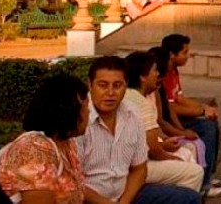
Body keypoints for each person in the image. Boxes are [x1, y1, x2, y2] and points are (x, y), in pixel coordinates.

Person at [75, 55, 200, 203]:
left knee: (188, 198)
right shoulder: (79, 118)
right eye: (102, 85)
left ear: (126, 85)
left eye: (117, 85)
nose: (110, 93)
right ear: (90, 84)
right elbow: (73, 180)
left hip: (125, 193)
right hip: (89, 199)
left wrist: (124, 201)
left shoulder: (132, 113)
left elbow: (139, 169)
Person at [0, 74, 89, 203]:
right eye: (85, 107)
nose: (89, 113)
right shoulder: (35, 150)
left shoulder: (68, 144)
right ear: (68, 111)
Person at [124, 51, 204, 194]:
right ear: (142, 77)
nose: (157, 74)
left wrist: (166, 143)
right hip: (135, 167)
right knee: (194, 172)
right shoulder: (140, 103)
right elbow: (154, 151)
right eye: (154, 70)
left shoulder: (132, 96)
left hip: (133, 161)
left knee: (188, 151)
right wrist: (172, 158)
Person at [161, 34, 221, 194]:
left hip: (177, 117)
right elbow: (171, 108)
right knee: (207, 128)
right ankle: (204, 184)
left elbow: (180, 98)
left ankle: (209, 173)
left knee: (213, 122)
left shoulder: (174, 71)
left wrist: (204, 107)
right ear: (172, 55)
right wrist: (200, 112)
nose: (188, 56)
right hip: (170, 121)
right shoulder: (164, 74)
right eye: (185, 52)